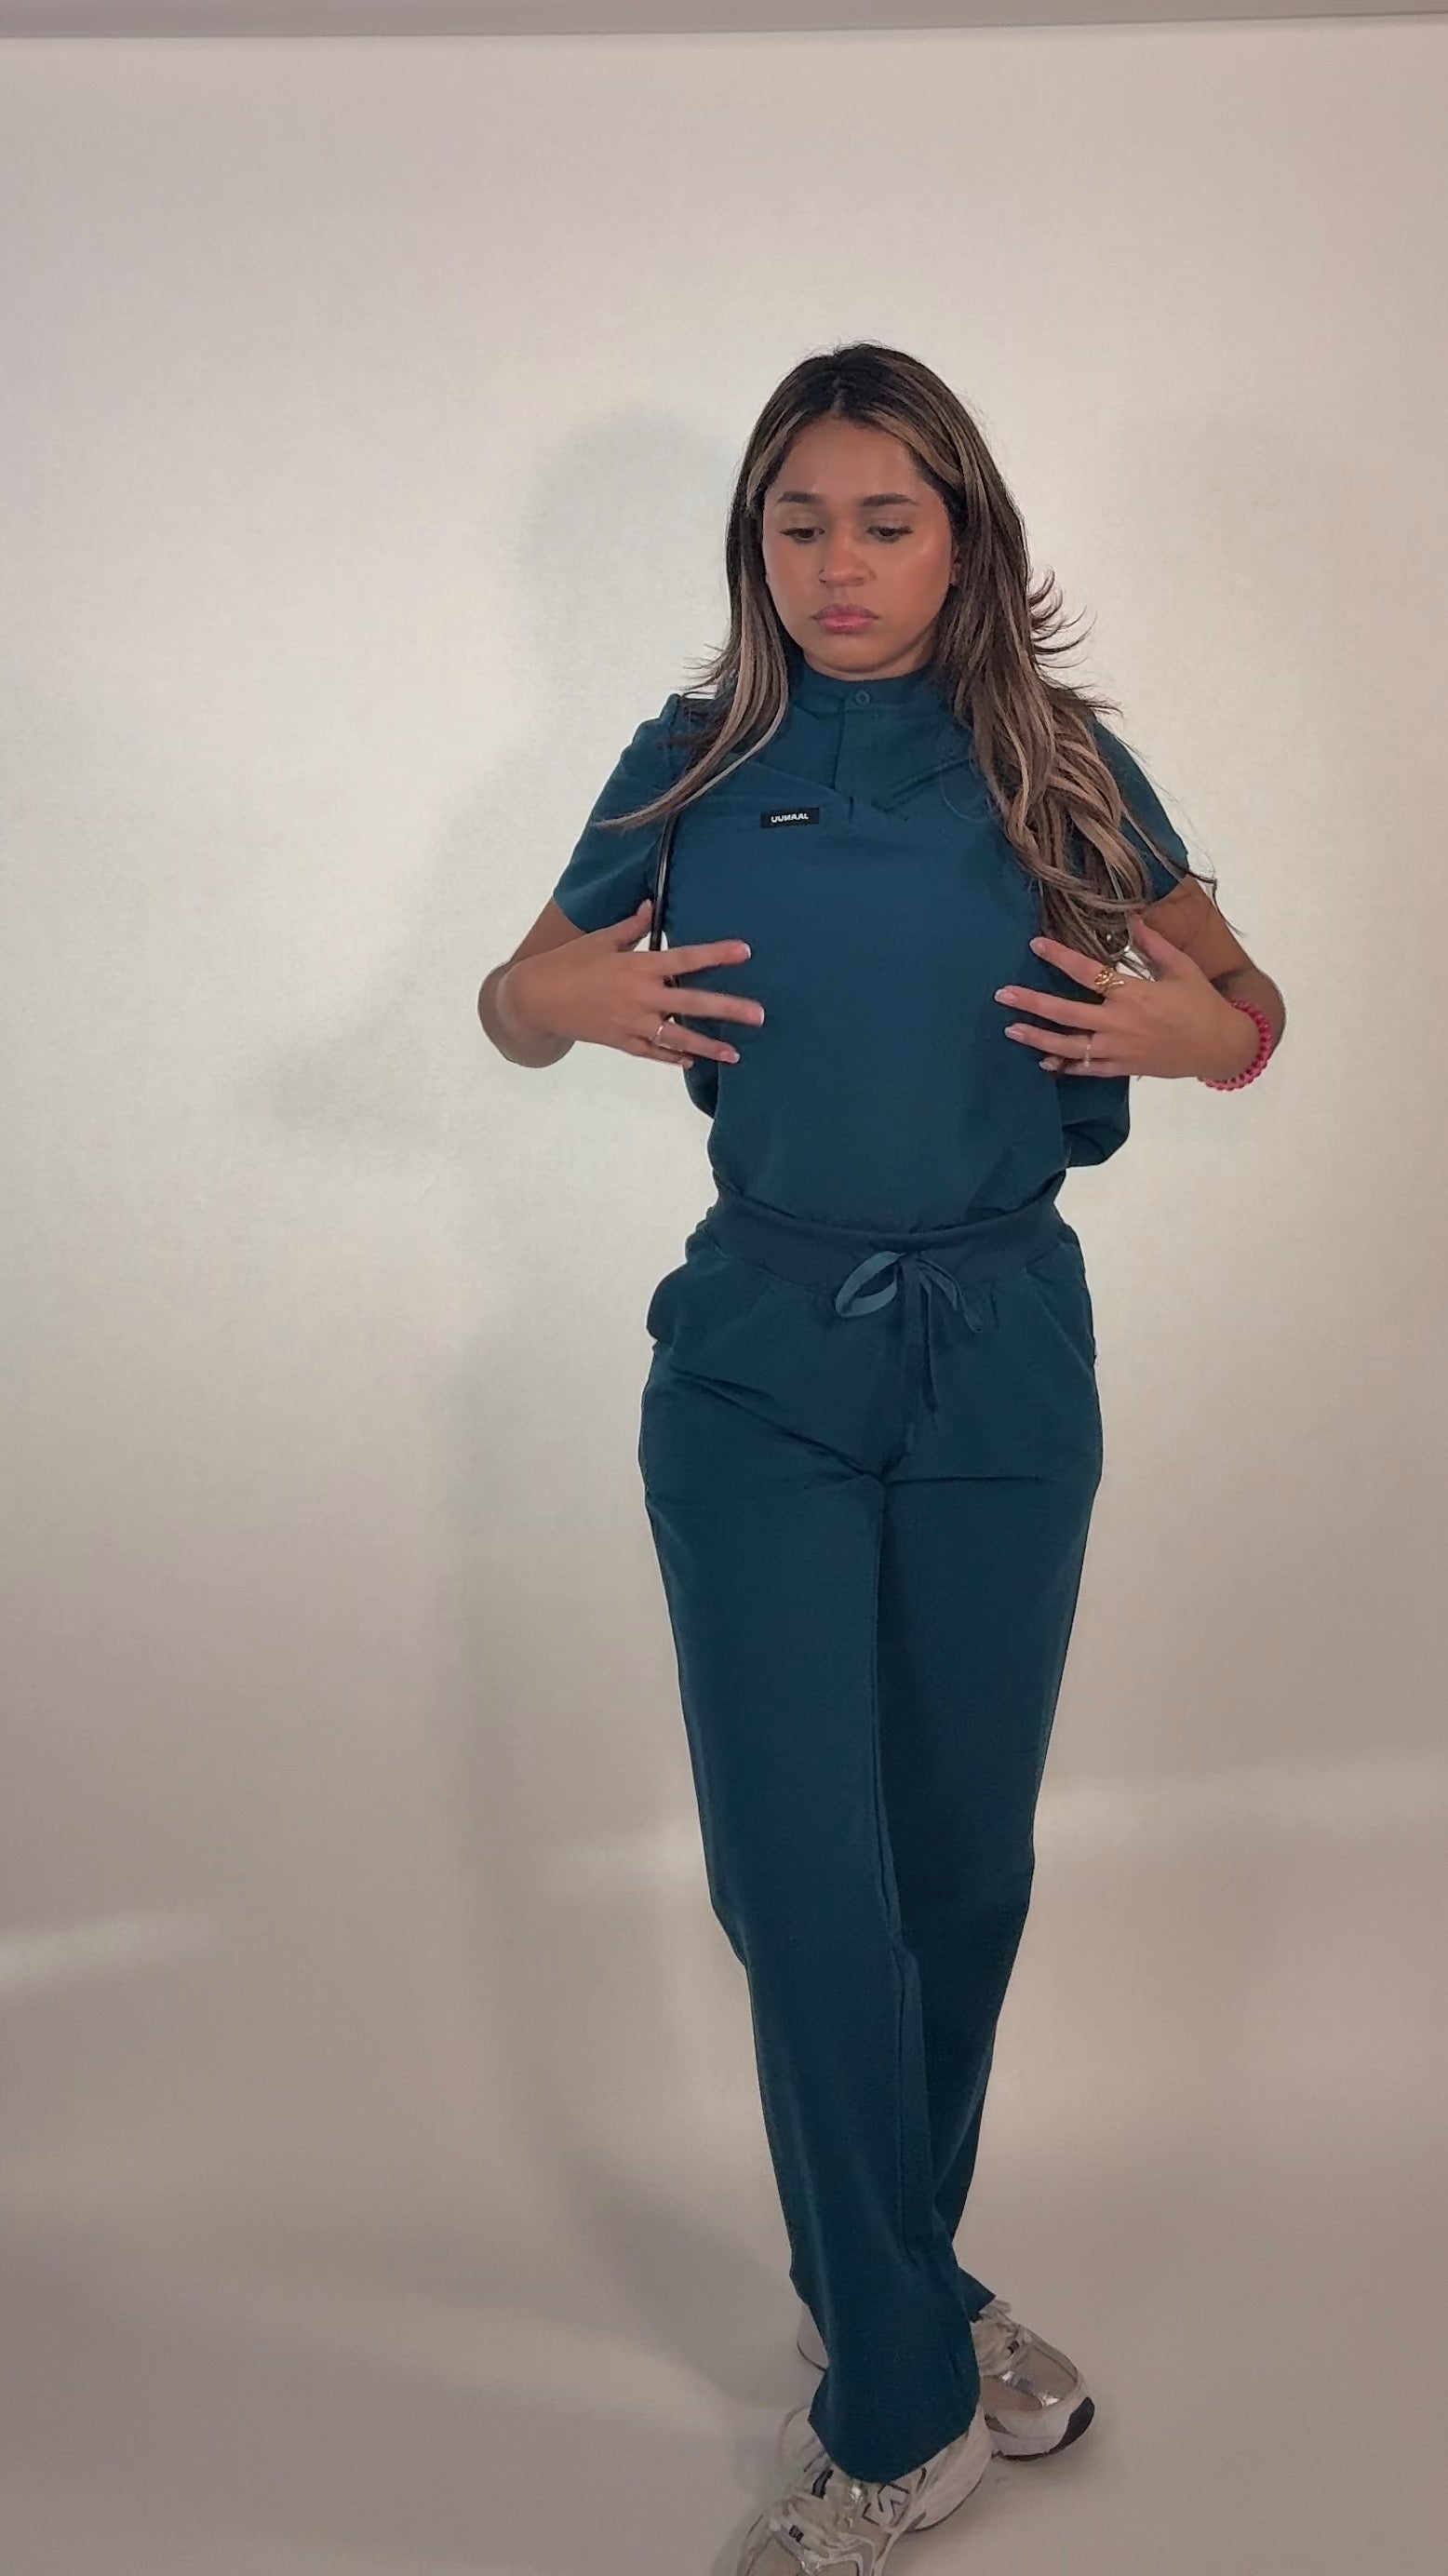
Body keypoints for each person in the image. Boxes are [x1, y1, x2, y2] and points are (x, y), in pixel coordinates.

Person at [478, 341, 1284, 2572]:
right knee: (797, 1891)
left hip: (1003, 1357)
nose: (838, 563)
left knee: (956, 1877)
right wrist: (557, 1002)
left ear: (963, 539)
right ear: (754, 543)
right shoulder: (692, 762)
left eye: (886, 521)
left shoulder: (1057, 764)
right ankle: (904, 2401)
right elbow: (512, 996)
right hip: (757, 1358)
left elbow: (1249, 1009)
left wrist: (1191, 1032)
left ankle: (899, 2307)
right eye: (798, 521)